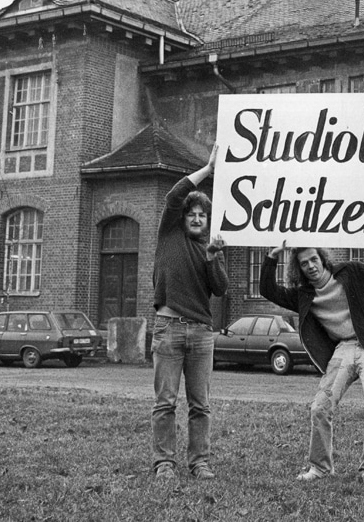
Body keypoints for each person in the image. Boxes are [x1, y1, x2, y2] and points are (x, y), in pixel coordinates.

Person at [260, 243, 364, 484]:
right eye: (304, 264)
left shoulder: (350, 272)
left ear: (322, 258)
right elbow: (268, 290)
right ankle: (320, 468)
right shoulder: (304, 295)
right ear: (299, 269)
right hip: (344, 348)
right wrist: (271, 257)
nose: (311, 266)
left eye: (313, 259)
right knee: (319, 408)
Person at [151, 143, 229, 481]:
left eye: (202, 215)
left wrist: (213, 258)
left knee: (200, 405)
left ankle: (200, 463)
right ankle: (164, 463)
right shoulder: (170, 235)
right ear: (183, 218)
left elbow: (221, 289)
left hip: (201, 333)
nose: (196, 218)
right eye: (191, 214)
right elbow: (174, 195)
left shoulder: (209, 248)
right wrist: (208, 170)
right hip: (168, 328)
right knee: (166, 402)